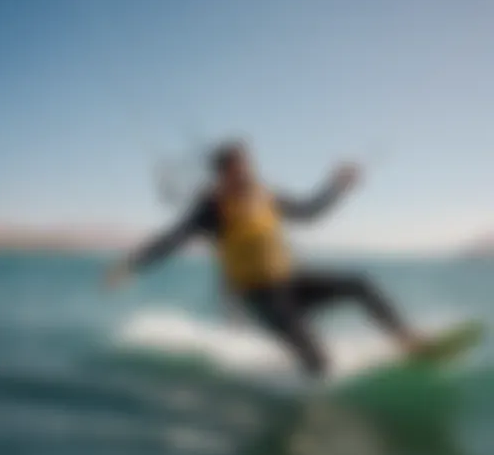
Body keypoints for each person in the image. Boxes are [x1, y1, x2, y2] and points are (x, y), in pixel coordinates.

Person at [106, 140, 423, 376]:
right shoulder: (212, 209)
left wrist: (337, 186)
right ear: (223, 174)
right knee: (319, 361)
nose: (246, 172)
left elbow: (309, 212)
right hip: (260, 298)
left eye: (248, 165)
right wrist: (132, 264)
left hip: (292, 282)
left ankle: (408, 341)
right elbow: (172, 239)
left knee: (359, 285)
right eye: (238, 168)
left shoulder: (265, 196)